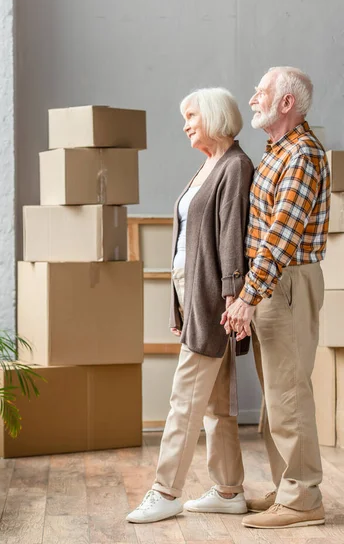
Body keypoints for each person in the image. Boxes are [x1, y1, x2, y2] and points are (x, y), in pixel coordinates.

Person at [126, 87, 254, 524]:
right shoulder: (208, 165)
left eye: (191, 116)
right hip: (193, 293)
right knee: (217, 400)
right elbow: (187, 244)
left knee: (185, 398)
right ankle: (229, 488)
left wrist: (234, 296)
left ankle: (165, 490)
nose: (185, 125)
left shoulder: (235, 166)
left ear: (215, 116)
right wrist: (179, 307)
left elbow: (230, 236)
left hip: (214, 298)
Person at [222, 67, 330, 530]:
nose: (252, 100)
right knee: (276, 396)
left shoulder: (301, 154)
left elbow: (281, 236)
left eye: (261, 93)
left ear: (287, 103)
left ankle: (304, 498)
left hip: (285, 283)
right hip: (273, 284)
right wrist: (249, 294)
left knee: (289, 392)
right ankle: (290, 486)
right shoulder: (277, 151)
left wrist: (248, 297)